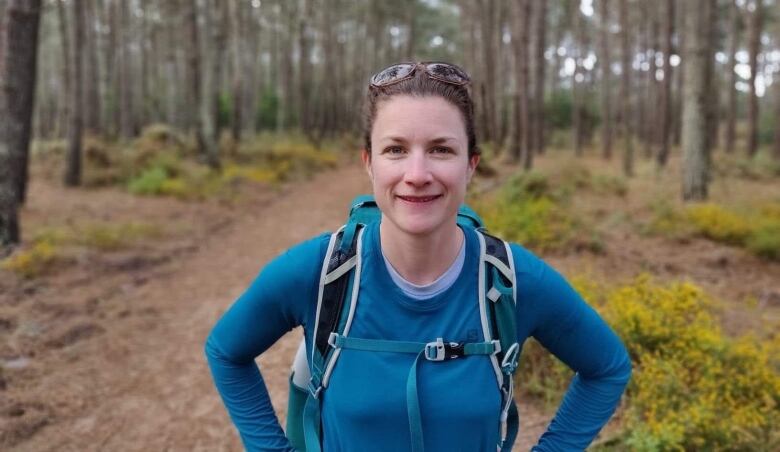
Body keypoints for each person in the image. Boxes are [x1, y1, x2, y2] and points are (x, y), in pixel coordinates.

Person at [205, 62, 632, 452]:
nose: (417, 174)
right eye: (395, 150)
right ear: (369, 163)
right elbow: (226, 351)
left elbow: (607, 368)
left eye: (441, 149)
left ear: (471, 165)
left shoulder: (513, 280)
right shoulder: (319, 271)